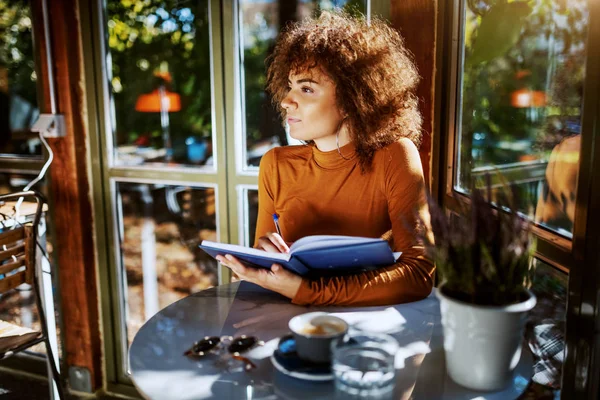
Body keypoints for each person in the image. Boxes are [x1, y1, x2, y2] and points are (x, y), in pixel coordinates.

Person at [216, 11, 434, 306]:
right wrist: (265, 258)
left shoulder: (395, 156)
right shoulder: (275, 165)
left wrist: (308, 292)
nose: (286, 100)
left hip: (370, 328)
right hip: (288, 324)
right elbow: (269, 267)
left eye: (306, 88)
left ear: (352, 99)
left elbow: (419, 273)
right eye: (290, 86)